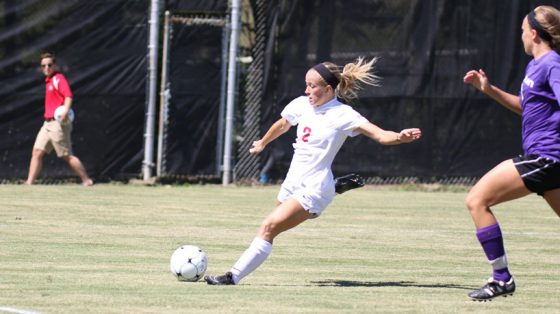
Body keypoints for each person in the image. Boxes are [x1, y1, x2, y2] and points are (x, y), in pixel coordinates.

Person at [204, 57, 422, 285]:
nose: (307, 90)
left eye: (312, 86)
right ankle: (335, 187)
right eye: (306, 85)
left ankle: (232, 277)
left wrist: (399, 137)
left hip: (314, 187)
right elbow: (283, 124)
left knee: (268, 227)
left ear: (328, 89)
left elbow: (379, 134)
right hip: (293, 181)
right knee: (276, 222)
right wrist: (263, 143)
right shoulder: (301, 105)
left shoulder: (343, 114)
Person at [463, 5, 560, 301]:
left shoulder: (553, 63)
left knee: (477, 199)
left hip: (546, 157)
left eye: (521, 31)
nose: (520, 36)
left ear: (533, 33)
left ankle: (501, 278)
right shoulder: (536, 65)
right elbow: (525, 107)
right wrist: (488, 88)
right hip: (547, 159)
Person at [25, 52, 93, 186]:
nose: (46, 68)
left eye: (49, 65)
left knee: (66, 155)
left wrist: (65, 111)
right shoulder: (48, 80)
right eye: (43, 66)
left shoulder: (58, 79)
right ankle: (29, 183)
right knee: (37, 152)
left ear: (54, 65)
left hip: (58, 124)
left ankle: (86, 180)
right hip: (47, 124)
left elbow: (68, 96)